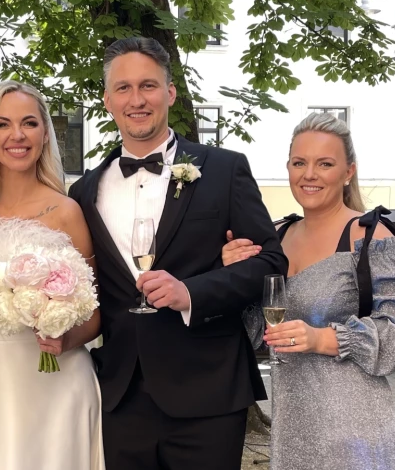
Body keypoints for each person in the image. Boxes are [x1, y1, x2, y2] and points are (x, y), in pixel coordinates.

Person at [66, 37, 286, 470]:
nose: (137, 99)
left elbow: (272, 265)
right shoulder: (83, 191)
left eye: (148, 85)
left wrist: (192, 293)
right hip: (120, 395)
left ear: (170, 93)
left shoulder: (224, 169)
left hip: (209, 391)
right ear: (108, 100)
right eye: (124, 88)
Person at [221, 112, 395, 469]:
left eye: (324, 163)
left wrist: (323, 339)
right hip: (290, 431)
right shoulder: (275, 238)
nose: (309, 174)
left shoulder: (372, 237)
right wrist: (231, 275)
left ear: (348, 171)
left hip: (355, 433)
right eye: (299, 163)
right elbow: (250, 333)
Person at [0, 81, 103, 469]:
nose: (16, 135)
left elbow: (96, 313)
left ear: (45, 133)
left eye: (29, 123)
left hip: (55, 379)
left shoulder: (67, 211)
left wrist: (64, 339)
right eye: (2, 124)